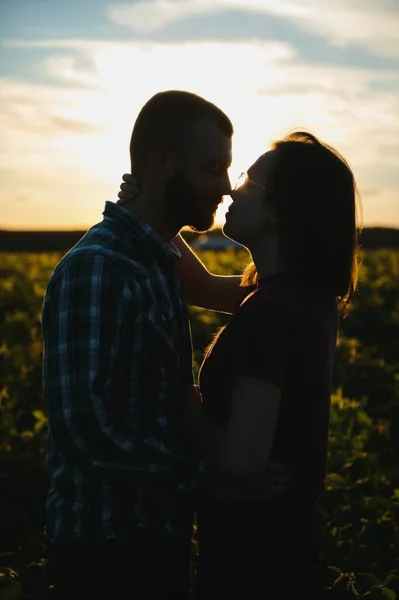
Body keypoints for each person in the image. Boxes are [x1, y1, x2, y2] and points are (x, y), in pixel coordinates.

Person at [41, 89, 287, 600]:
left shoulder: (156, 258)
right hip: (105, 553)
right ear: (162, 164)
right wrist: (204, 473)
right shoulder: (99, 268)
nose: (225, 187)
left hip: (154, 538)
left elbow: (232, 292)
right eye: (212, 167)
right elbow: (84, 430)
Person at [117, 130, 361, 598]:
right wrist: (153, 216)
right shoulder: (302, 295)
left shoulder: (273, 309)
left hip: (252, 562)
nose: (231, 188)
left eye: (249, 181)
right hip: (284, 551)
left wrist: (183, 398)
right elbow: (203, 287)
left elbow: (244, 465)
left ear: (278, 211)